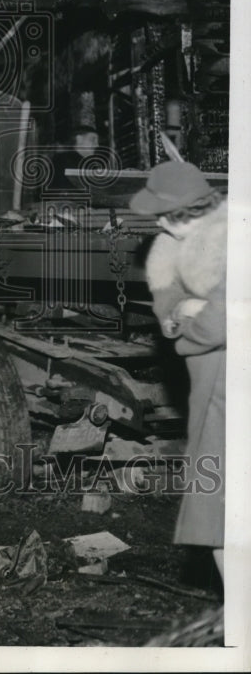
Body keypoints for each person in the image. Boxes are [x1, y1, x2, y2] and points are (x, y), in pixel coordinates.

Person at [130, 160, 226, 583]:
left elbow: (221, 321)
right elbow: (168, 296)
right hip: (214, 384)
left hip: (229, 386)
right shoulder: (173, 245)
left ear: (178, 212)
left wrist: (187, 325)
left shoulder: (230, 241)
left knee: (220, 508)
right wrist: (175, 312)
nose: (160, 225)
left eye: (163, 216)